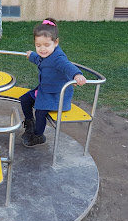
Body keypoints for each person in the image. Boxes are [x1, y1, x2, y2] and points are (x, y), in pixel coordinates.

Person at [20, 17, 87, 147]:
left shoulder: (58, 58)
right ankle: (29, 123)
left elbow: (68, 66)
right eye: (38, 45)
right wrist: (31, 54)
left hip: (56, 94)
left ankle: (38, 136)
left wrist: (77, 74)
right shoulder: (45, 53)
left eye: (46, 45)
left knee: (40, 111)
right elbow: (38, 58)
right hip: (45, 89)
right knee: (25, 99)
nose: (42, 49)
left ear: (56, 43)